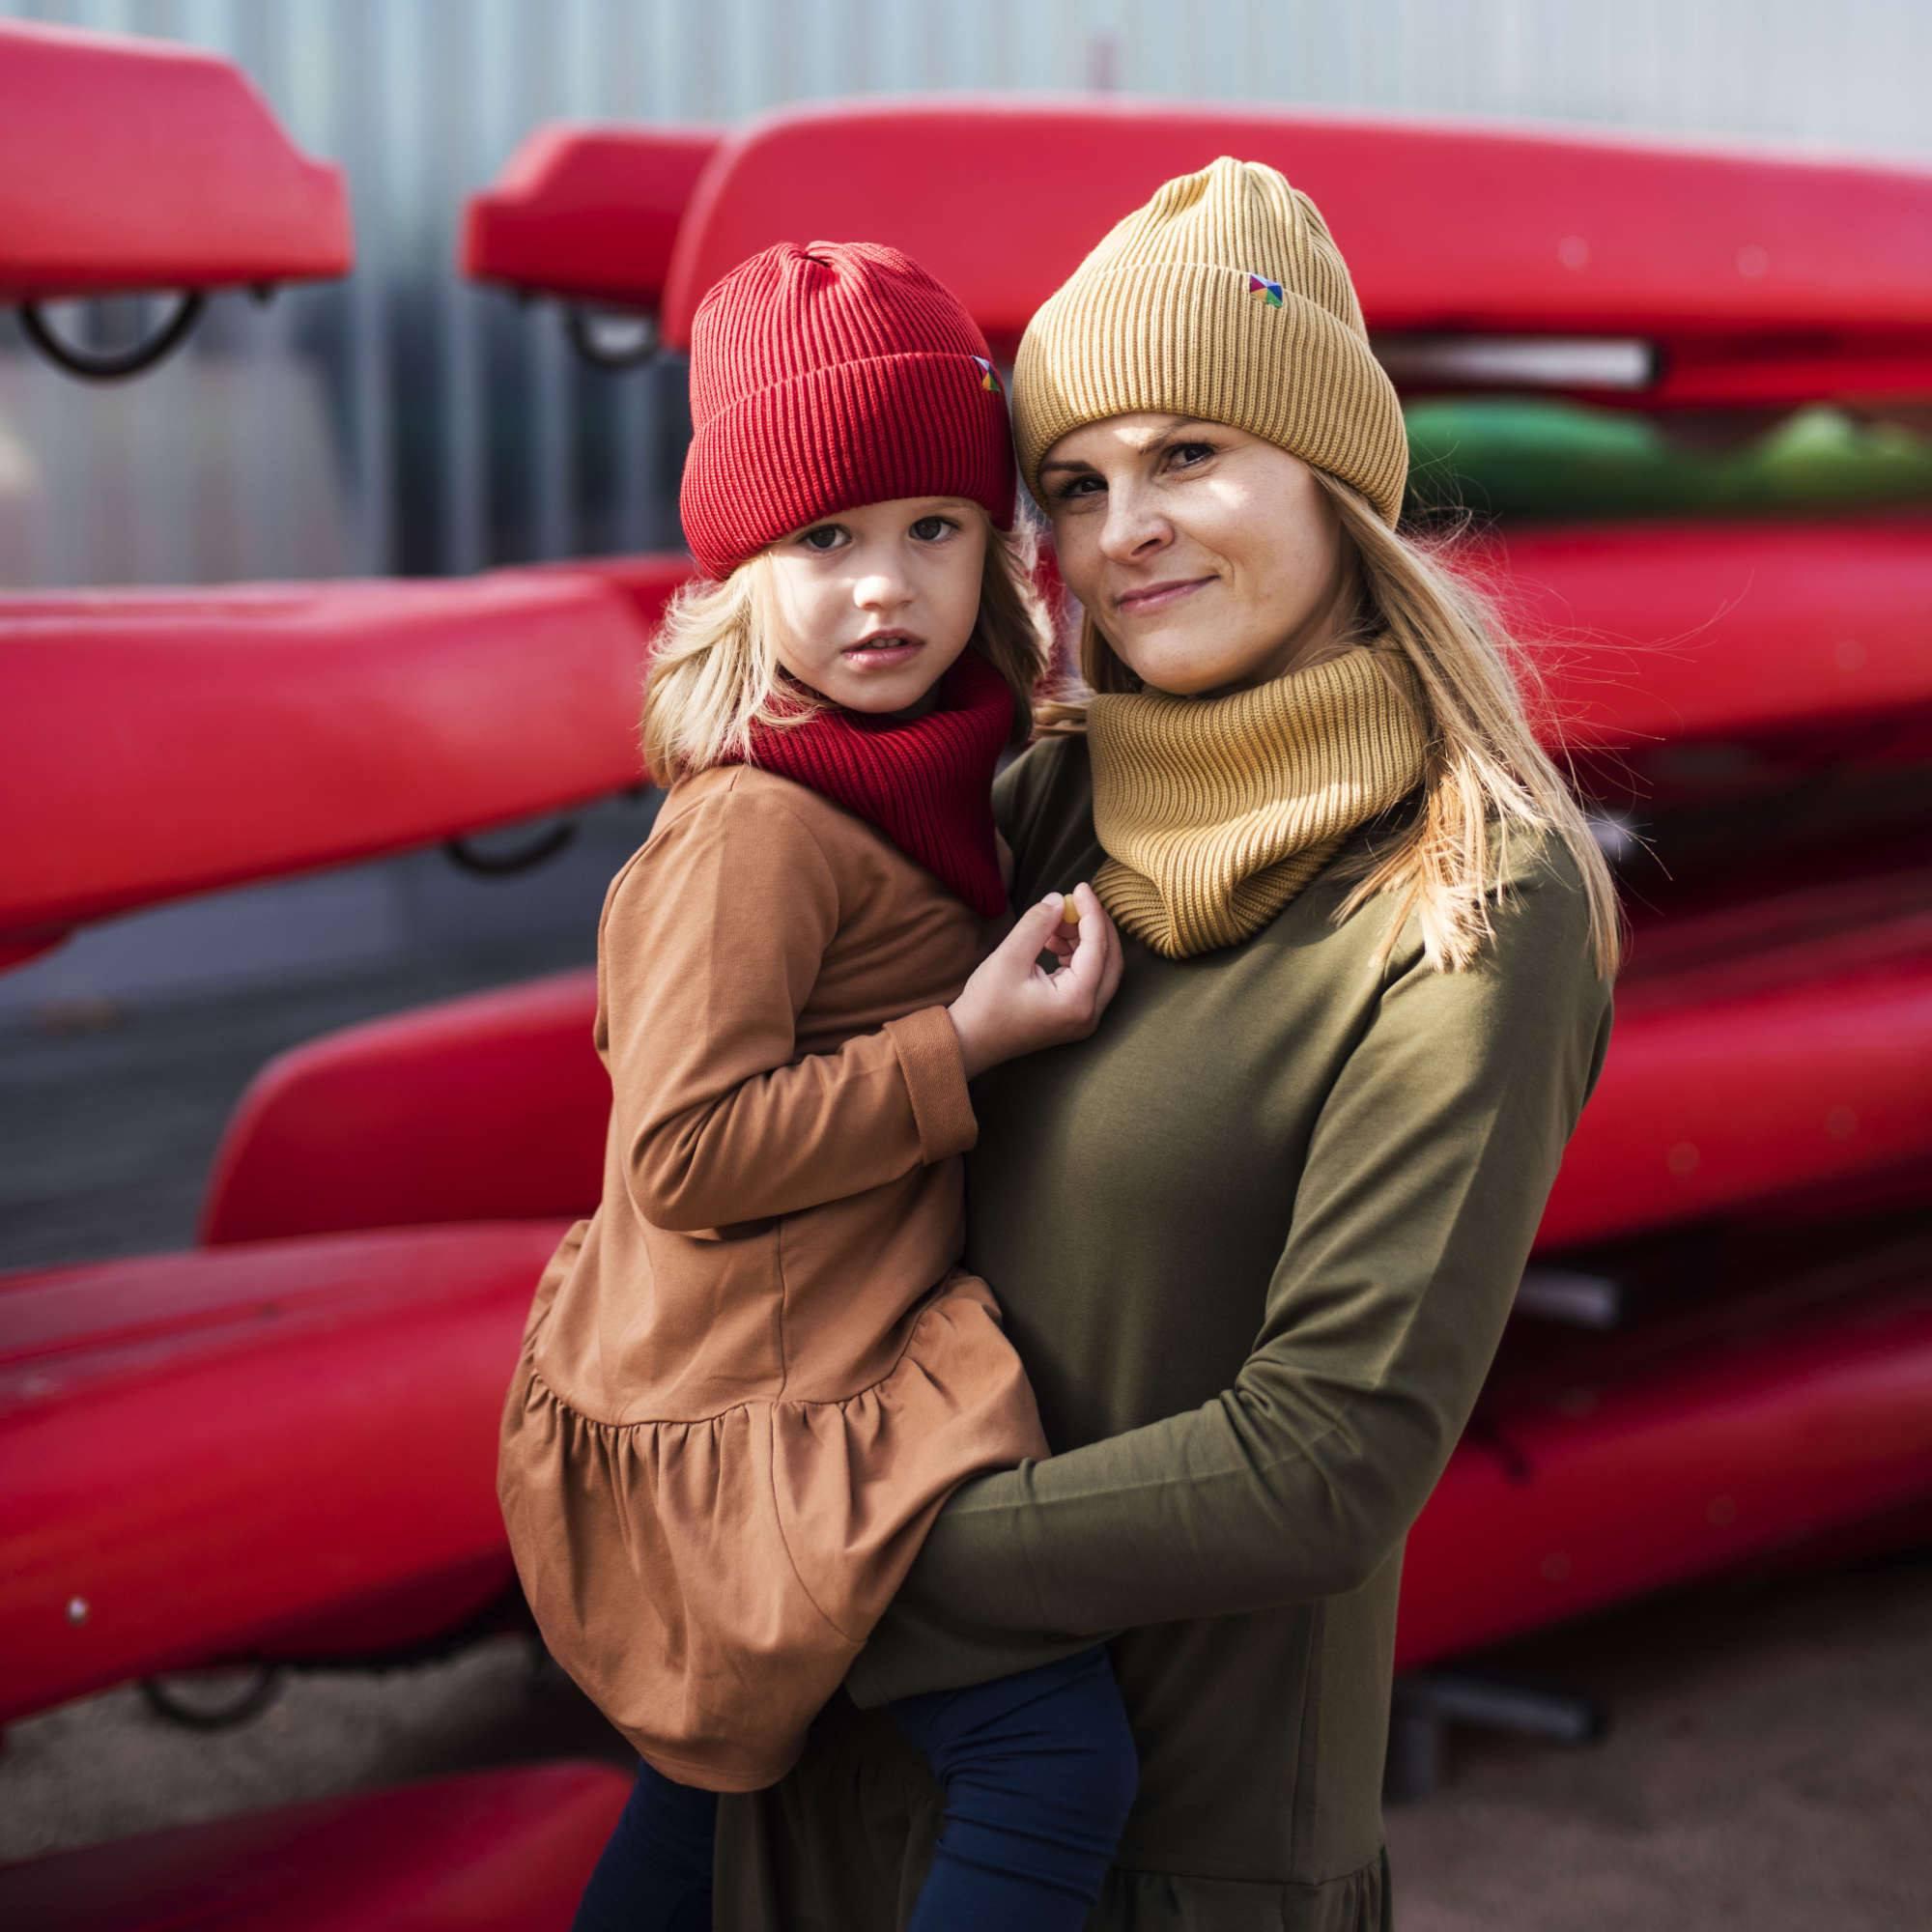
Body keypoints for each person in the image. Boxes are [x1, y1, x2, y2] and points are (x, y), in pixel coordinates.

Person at [713, 159, 1622, 1930]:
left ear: (1333, 479)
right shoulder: (1035, 809)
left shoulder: (1470, 894)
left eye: (1189, 455)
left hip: (1153, 1852)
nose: (1124, 524)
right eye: (1076, 481)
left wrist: (826, 1573)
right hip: (825, 1799)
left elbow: (1324, 1461)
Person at [496, 240, 1142, 1932]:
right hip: (749, 1415)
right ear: (740, 575)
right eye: (826, 541)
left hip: (792, 1368)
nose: (886, 589)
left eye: (936, 528)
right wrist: (967, 1044)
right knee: (1045, 1760)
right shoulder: (757, 826)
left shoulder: (916, 774)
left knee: (719, 1810)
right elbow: (686, 1154)